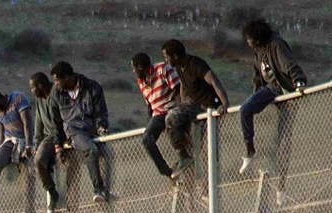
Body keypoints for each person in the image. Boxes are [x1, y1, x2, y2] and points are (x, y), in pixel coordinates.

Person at [238, 18, 306, 192]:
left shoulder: (276, 44)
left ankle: (280, 188)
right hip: (269, 90)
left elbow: (289, 63)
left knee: (283, 140)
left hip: (282, 90)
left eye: (249, 39)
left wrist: (298, 81)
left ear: (257, 38)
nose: (247, 42)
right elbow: (257, 73)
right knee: (245, 109)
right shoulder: (259, 50)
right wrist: (256, 92)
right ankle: (250, 151)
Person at [162, 39, 230, 180]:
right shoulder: (179, 67)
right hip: (194, 104)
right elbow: (183, 85)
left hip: (209, 106)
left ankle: (210, 185)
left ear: (175, 56)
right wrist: (181, 103)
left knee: (208, 150)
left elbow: (214, 81)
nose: (165, 60)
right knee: (171, 118)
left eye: (166, 57)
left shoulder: (196, 64)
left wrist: (224, 103)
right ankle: (184, 155)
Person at [49, 61, 111, 203]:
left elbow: (101, 112)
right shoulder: (56, 94)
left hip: (93, 129)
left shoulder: (92, 87)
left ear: (66, 78)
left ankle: (107, 192)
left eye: (57, 80)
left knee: (107, 157)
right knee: (90, 150)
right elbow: (56, 121)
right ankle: (98, 189)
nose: (56, 84)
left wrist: (101, 125)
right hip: (74, 130)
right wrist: (58, 145)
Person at [131, 53, 181, 182]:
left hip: (171, 108)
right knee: (147, 139)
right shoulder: (141, 81)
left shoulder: (163, 69)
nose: (133, 71)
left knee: (177, 133)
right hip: (158, 113)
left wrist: (178, 108)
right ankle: (166, 171)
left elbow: (178, 89)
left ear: (140, 67)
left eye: (134, 68)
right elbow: (149, 104)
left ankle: (183, 157)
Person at [31, 72, 64, 209]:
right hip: (50, 135)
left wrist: (58, 141)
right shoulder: (40, 99)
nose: (32, 91)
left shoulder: (56, 93)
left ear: (40, 86)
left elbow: (59, 120)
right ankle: (51, 190)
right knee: (38, 160)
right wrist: (37, 142)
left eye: (33, 87)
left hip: (63, 131)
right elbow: (39, 122)